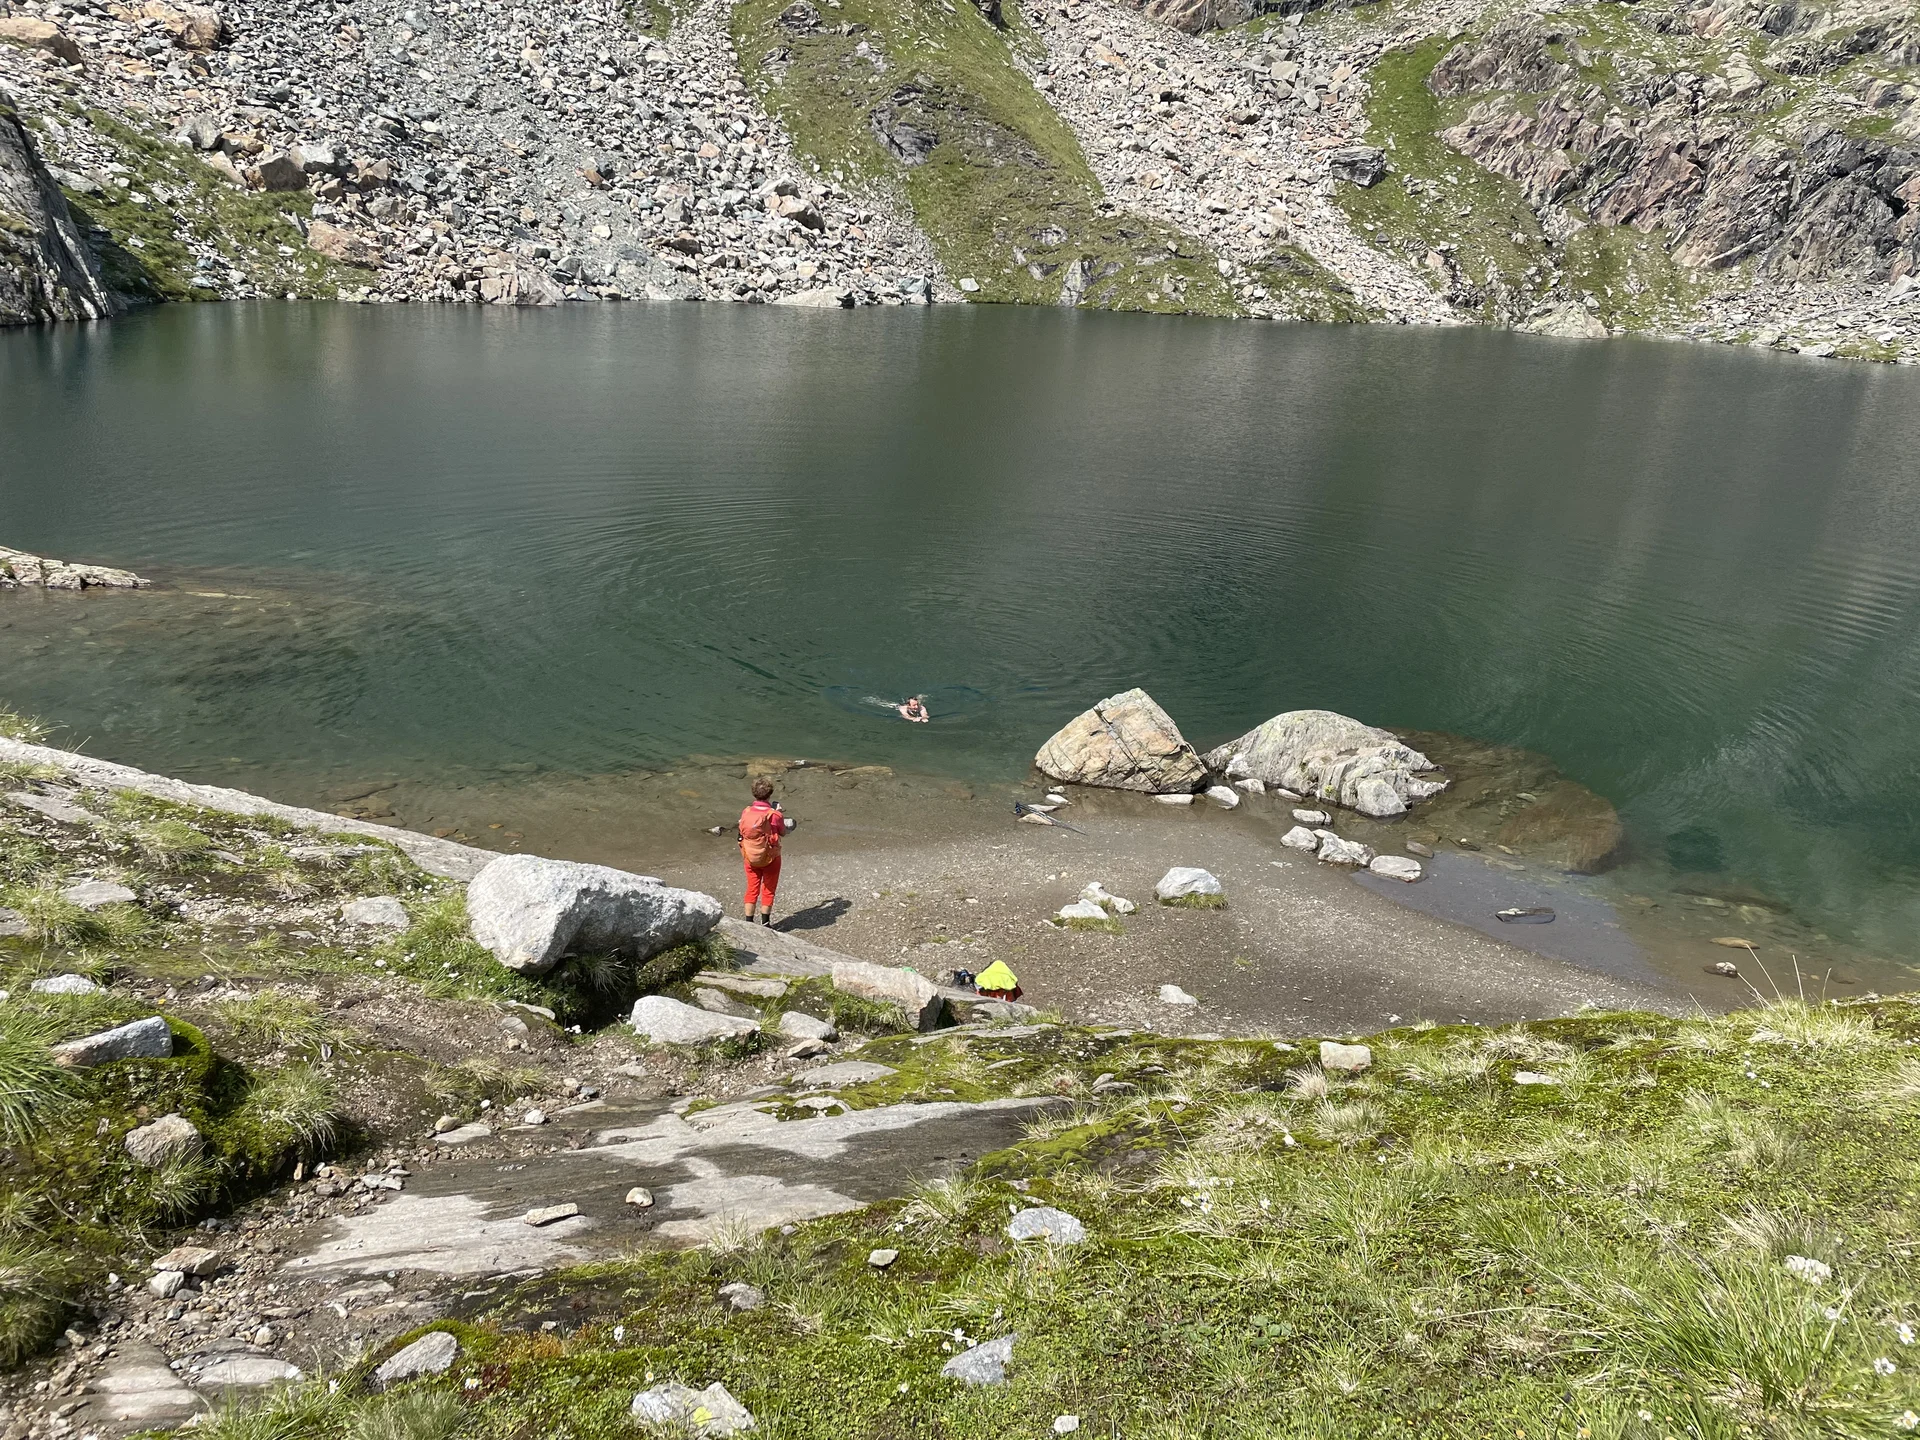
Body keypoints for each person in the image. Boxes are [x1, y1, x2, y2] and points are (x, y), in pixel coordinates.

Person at [737, 778, 796, 926]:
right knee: (768, 889)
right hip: (770, 857)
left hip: (750, 855)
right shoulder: (774, 815)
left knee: (752, 888)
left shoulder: (746, 811)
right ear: (770, 794)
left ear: (754, 794)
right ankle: (765, 923)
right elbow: (782, 832)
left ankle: (749, 923)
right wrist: (778, 813)